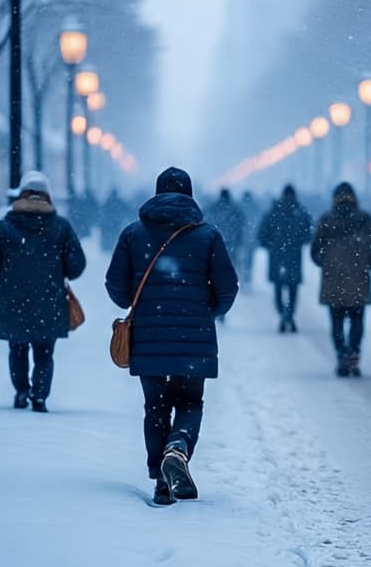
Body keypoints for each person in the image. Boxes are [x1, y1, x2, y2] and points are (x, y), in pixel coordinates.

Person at [105, 167, 238, 506]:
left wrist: (137, 299)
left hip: (148, 337)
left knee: (155, 407)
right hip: (195, 340)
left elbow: (116, 287)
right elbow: (228, 287)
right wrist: (208, 310)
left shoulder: (133, 234)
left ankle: (161, 481)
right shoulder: (208, 236)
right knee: (190, 402)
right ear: (190, 195)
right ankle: (178, 447)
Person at [0, 171, 86, 413]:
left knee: (17, 348)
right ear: (48, 196)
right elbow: (77, 264)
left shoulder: (4, 227)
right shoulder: (61, 227)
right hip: (49, 299)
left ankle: (21, 391)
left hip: (13, 298)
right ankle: (40, 396)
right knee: (44, 352)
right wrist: (62, 272)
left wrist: (3, 279)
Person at [310, 182, 371, 377]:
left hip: (334, 279)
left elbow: (315, 250)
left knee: (336, 320)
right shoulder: (364, 219)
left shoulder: (327, 219)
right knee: (357, 318)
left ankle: (341, 353)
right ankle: (354, 352)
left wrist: (326, 263)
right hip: (358, 278)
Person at [257, 185, 313, 332]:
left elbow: (263, 233)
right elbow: (308, 234)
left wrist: (269, 244)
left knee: (278, 287)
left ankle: (282, 312)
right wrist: (298, 242)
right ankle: (290, 313)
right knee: (293, 288)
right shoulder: (300, 212)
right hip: (294, 255)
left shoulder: (274, 211)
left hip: (277, 255)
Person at [207, 189, 246, 308]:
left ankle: (215, 296)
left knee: (214, 273)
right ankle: (222, 299)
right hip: (231, 245)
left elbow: (206, 222)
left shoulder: (213, 208)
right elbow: (241, 226)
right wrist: (239, 242)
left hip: (215, 244)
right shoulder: (235, 210)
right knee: (226, 273)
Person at [237, 190, 261, 289]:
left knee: (241, 259)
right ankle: (247, 277)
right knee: (249, 260)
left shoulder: (239, 207)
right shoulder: (255, 208)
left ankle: (242, 278)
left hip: (242, 238)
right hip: (251, 238)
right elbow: (258, 222)